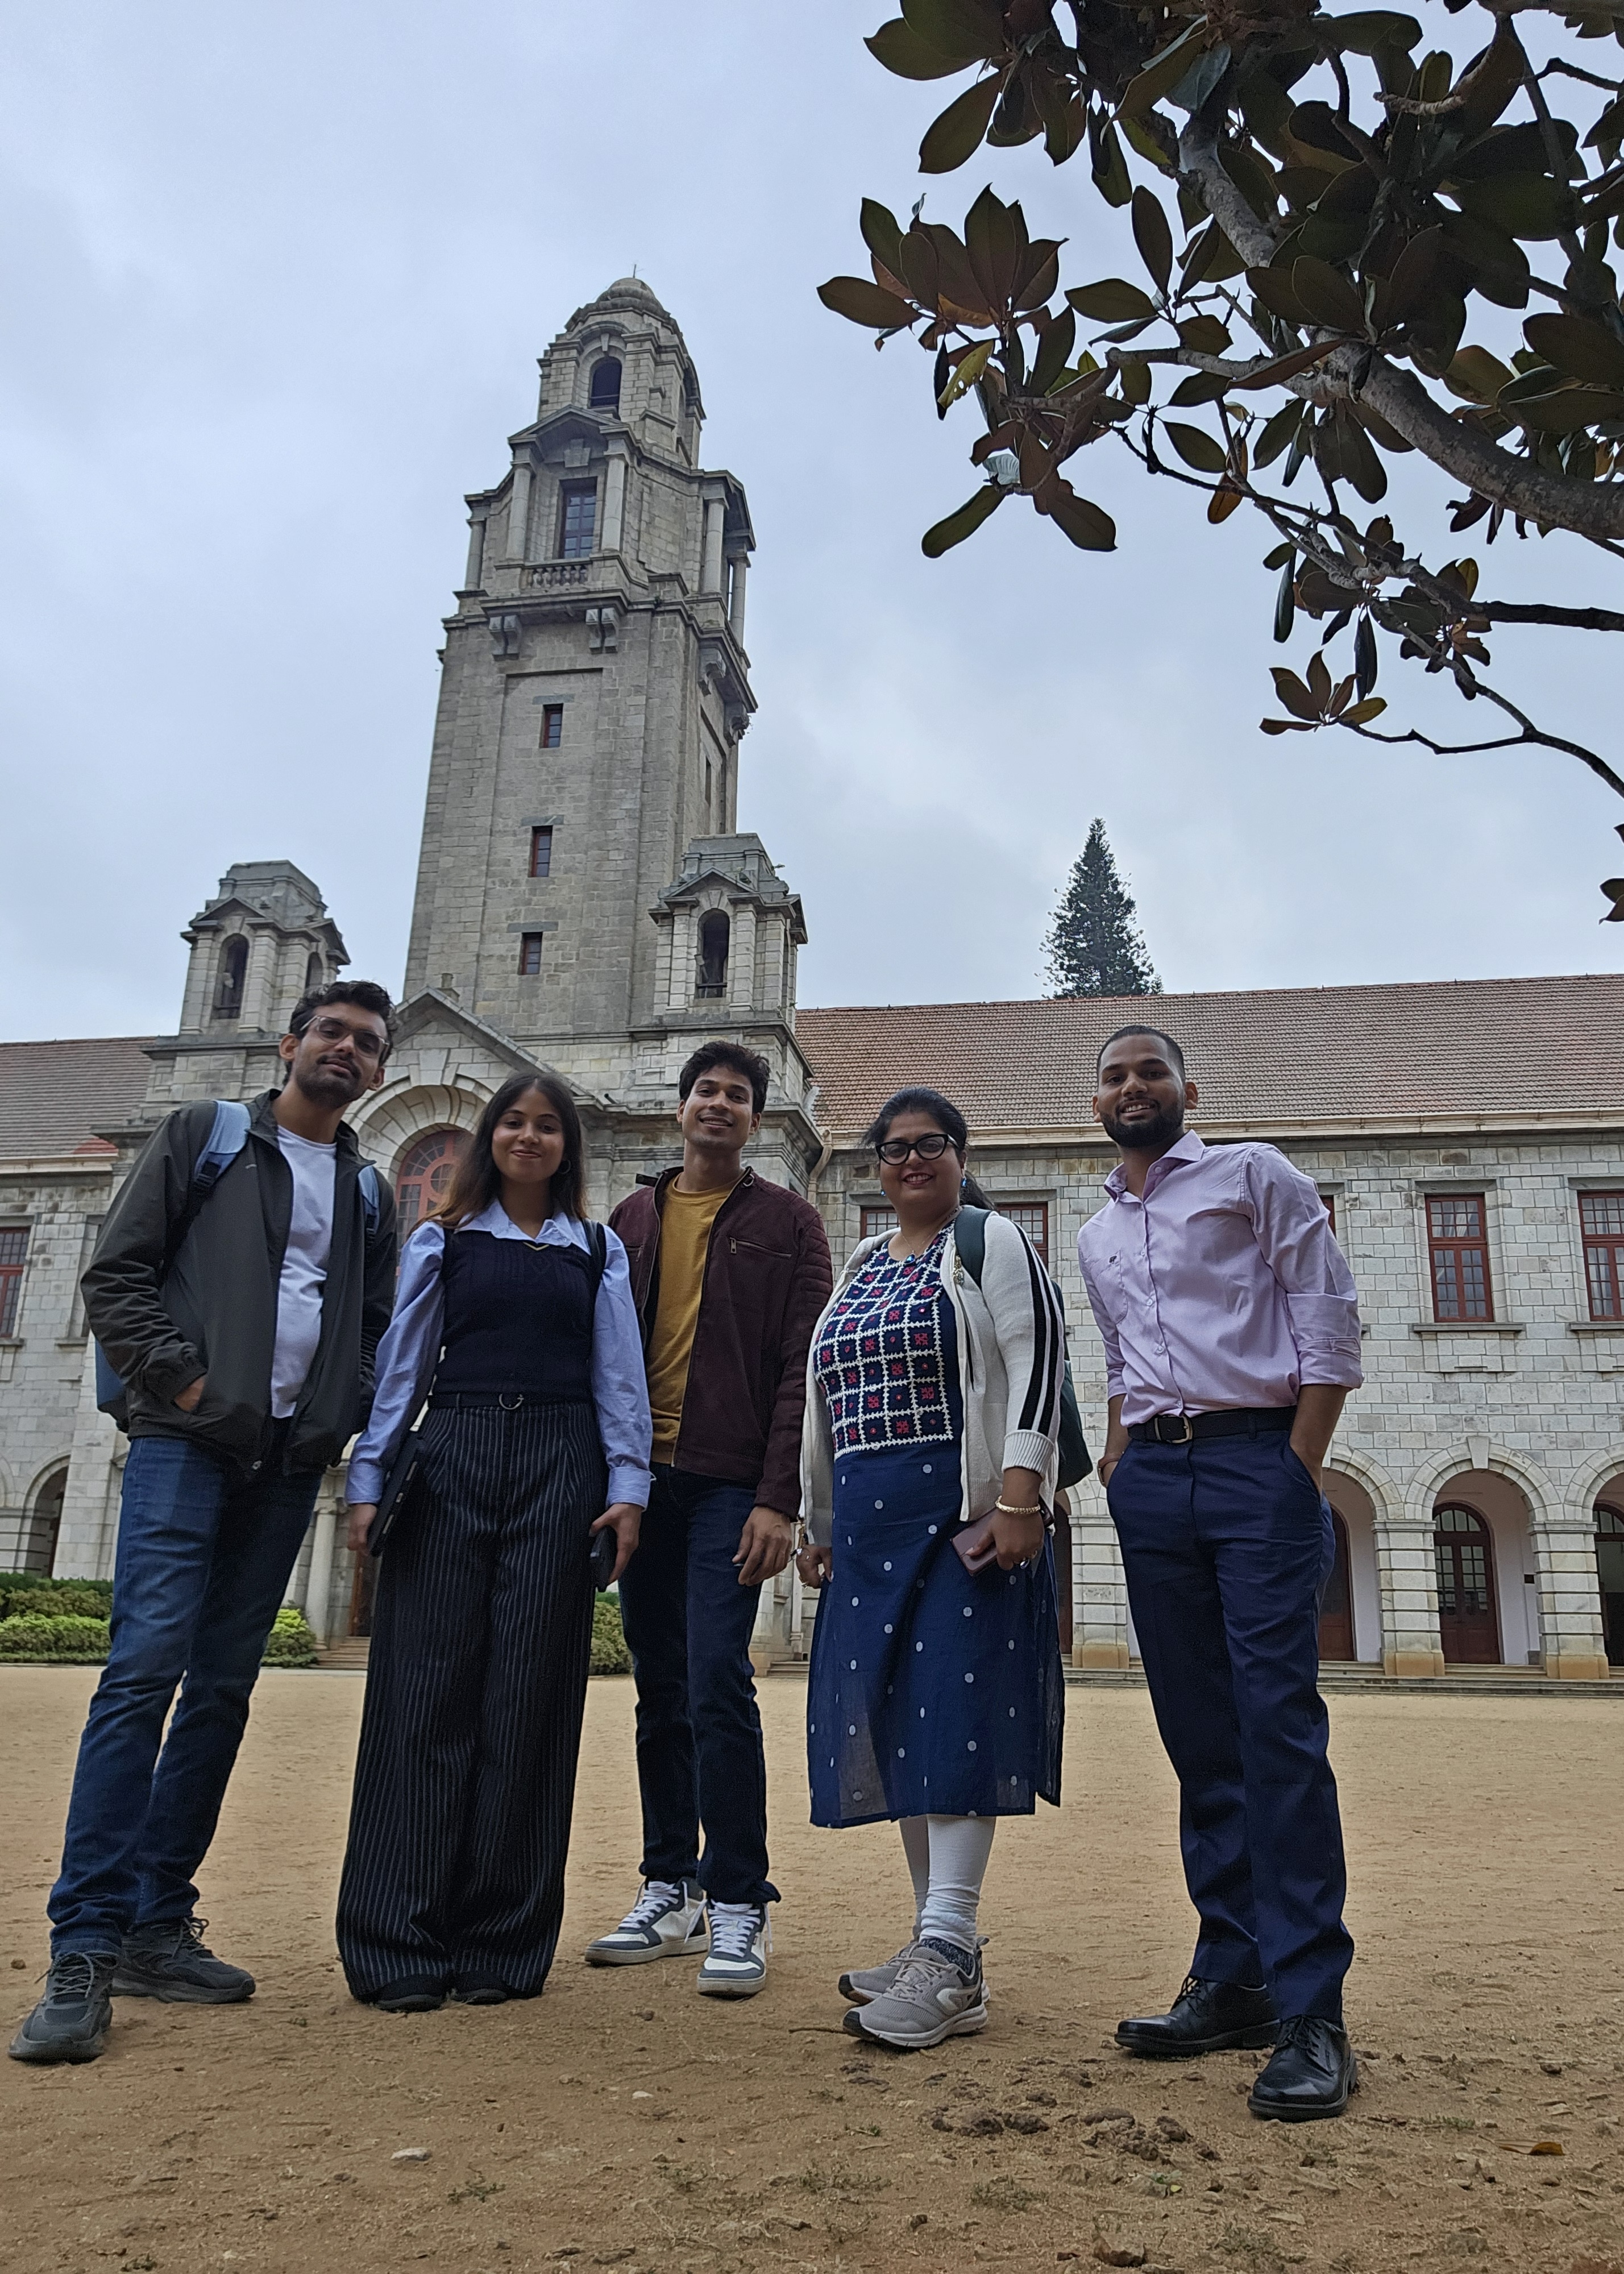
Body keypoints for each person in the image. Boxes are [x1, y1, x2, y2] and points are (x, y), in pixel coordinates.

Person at [10, 981, 398, 2067]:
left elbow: (374, 1326)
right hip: (186, 1443)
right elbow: (116, 1272)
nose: (348, 1052)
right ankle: (82, 1945)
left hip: (288, 1464)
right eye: (332, 1033)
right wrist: (180, 1386)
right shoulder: (205, 1135)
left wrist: (336, 1414)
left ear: (378, 1071)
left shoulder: (369, 1190)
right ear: (291, 1045)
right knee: (142, 1674)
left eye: (368, 1045)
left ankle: (154, 1920)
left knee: (222, 1690)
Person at [1077, 1024, 1364, 2122]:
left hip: (1258, 1464)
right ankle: (1232, 1974)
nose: (1133, 1086)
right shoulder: (1101, 1231)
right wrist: (1117, 1456)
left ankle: (1312, 2013)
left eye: (1150, 1071)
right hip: (1154, 1480)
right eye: (1114, 1075)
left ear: (1186, 1090)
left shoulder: (1255, 1173)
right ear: (1097, 1101)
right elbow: (1120, 1355)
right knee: (1197, 1734)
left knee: (1276, 1728)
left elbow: (1326, 1313)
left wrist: (1296, 1466)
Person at [337, 1070, 649, 2011]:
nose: (529, 1137)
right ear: (489, 1138)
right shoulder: (441, 1240)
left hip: (562, 1462)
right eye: (512, 1122)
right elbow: (403, 1368)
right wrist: (368, 1477)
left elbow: (618, 1378)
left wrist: (626, 1486)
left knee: (530, 1697)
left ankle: (502, 1947)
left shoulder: (595, 1251)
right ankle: (397, 1942)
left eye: (547, 1125)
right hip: (453, 1449)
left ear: (567, 1146)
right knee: (420, 1691)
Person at [798, 1087, 1066, 2052]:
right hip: (868, 1527)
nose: (911, 1162)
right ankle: (932, 1944)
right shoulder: (865, 1263)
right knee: (898, 1727)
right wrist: (819, 1519)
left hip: (961, 1515)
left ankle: (950, 1950)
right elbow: (826, 1396)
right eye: (894, 1149)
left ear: (959, 1154)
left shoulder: (988, 1242)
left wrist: (1019, 1494)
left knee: (952, 1719)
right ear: (876, 1167)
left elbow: (1035, 1358)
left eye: (930, 1145)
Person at [584, 1041, 832, 1996]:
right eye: (706, 1092)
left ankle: (739, 1898)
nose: (718, 1105)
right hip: (641, 1482)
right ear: (680, 1109)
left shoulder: (789, 1221)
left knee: (718, 1679)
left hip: (732, 1483)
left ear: (755, 1118)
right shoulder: (631, 1216)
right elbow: (604, 1357)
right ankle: (668, 1883)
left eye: (736, 1094)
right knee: (657, 1686)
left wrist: (779, 1498)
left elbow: (798, 1369)